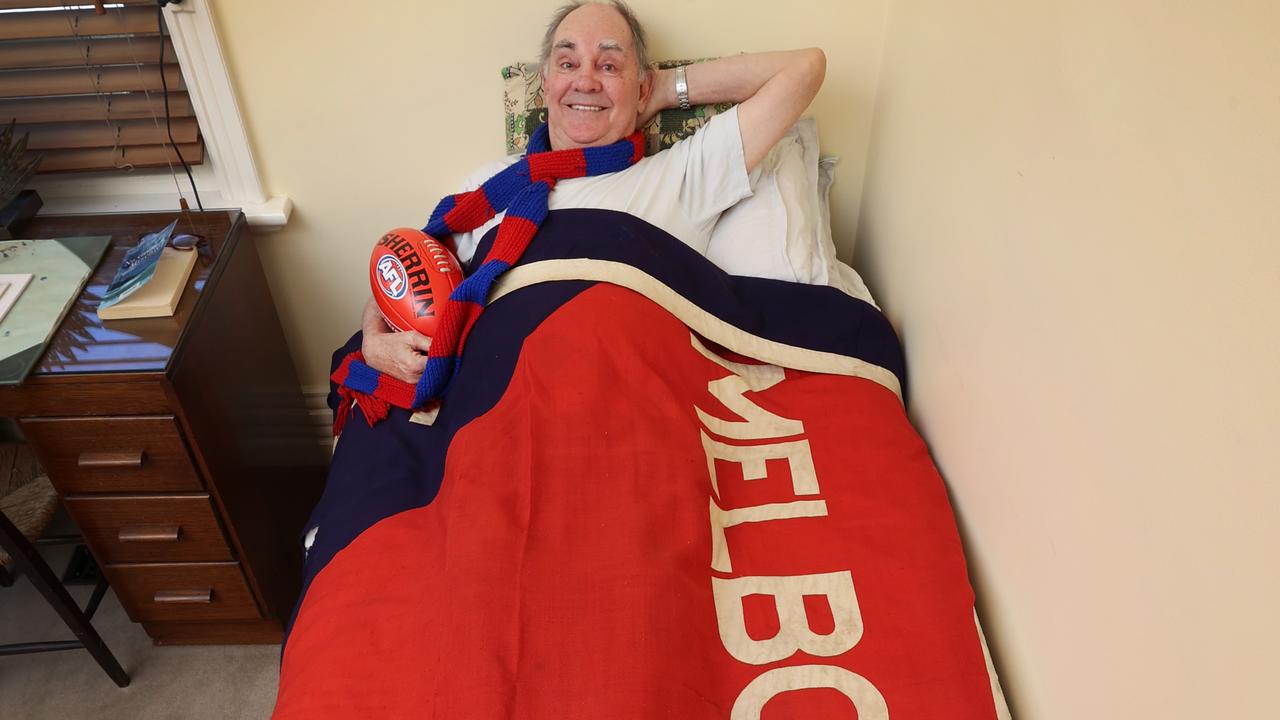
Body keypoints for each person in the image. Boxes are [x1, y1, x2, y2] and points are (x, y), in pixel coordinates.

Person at [361, 0, 825, 383]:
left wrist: (662, 88)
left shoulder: (683, 176)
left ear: (640, 87)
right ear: (545, 84)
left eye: (609, 65)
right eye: (567, 63)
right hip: (502, 387)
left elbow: (805, 68)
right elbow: (409, 267)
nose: (585, 80)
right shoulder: (488, 186)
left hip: (624, 385)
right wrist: (373, 340)